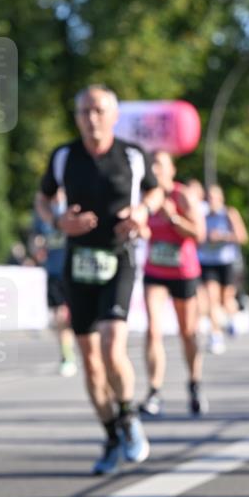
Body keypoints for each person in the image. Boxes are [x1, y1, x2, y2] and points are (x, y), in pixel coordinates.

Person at [36, 85, 162, 476]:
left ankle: (127, 417)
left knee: (112, 345)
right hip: (79, 261)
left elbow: (156, 194)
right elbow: (43, 199)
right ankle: (110, 435)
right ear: (77, 117)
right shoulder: (64, 156)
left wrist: (141, 213)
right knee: (90, 362)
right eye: (84, 111)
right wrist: (59, 221)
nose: (91, 118)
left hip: (119, 257)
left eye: (99, 110)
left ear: (114, 115)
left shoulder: (132, 155)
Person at [140, 151, 207, 417]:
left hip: (183, 272)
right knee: (153, 330)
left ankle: (194, 382)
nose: (155, 169)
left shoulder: (183, 196)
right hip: (155, 271)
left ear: (171, 169)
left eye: (160, 165)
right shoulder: (147, 199)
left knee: (187, 332)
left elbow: (200, 233)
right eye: (152, 164)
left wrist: (175, 219)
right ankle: (154, 390)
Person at [197, 185, 248, 354]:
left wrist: (223, 236)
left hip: (227, 261)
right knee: (211, 298)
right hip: (208, 262)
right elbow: (197, 236)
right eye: (208, 197)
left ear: (221, 199)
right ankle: (216, 336)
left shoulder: (229, 214)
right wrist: (207, 238)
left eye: (214, 197)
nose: (211, 201)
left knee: (226, 298)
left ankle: (233, 318)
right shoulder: (202, 216)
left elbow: (242, 237)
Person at [32, 189, 78, 376]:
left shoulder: (72, 208)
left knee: (67, 316)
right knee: (58, 317)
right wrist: (38, 247)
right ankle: (67, 355)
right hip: (53, 272)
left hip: (72, 271)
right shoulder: (43, 212)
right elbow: (36, 237)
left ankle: (71, 352)